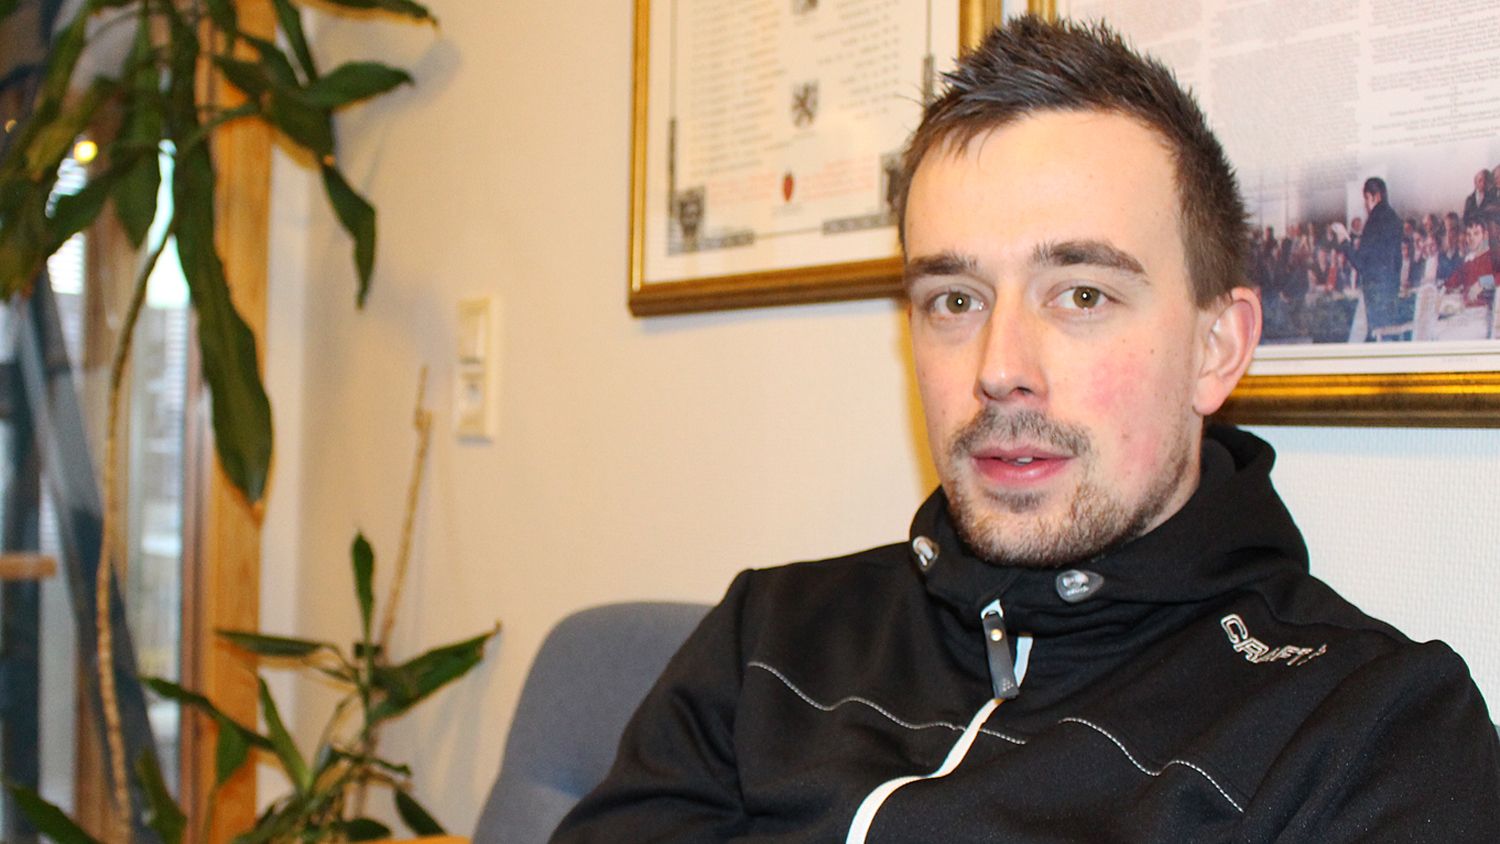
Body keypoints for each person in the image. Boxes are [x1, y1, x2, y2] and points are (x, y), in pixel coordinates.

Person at [553, 17, 1500, 841]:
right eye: (955, 298)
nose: (999, 366)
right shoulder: (769, 637)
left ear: (1217, 347)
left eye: (1081, 294)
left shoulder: (1370, 730)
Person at [1334, 177, 1403, 338]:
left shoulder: (1373, 222)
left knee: (1378, 336)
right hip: (1392, 290)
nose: (1365, 205)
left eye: (1366, 199)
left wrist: (1344, 241)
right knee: (1390, 336)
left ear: (1375, 196)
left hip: (1375, 294)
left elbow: (1361, 264)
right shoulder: (1395, 218)